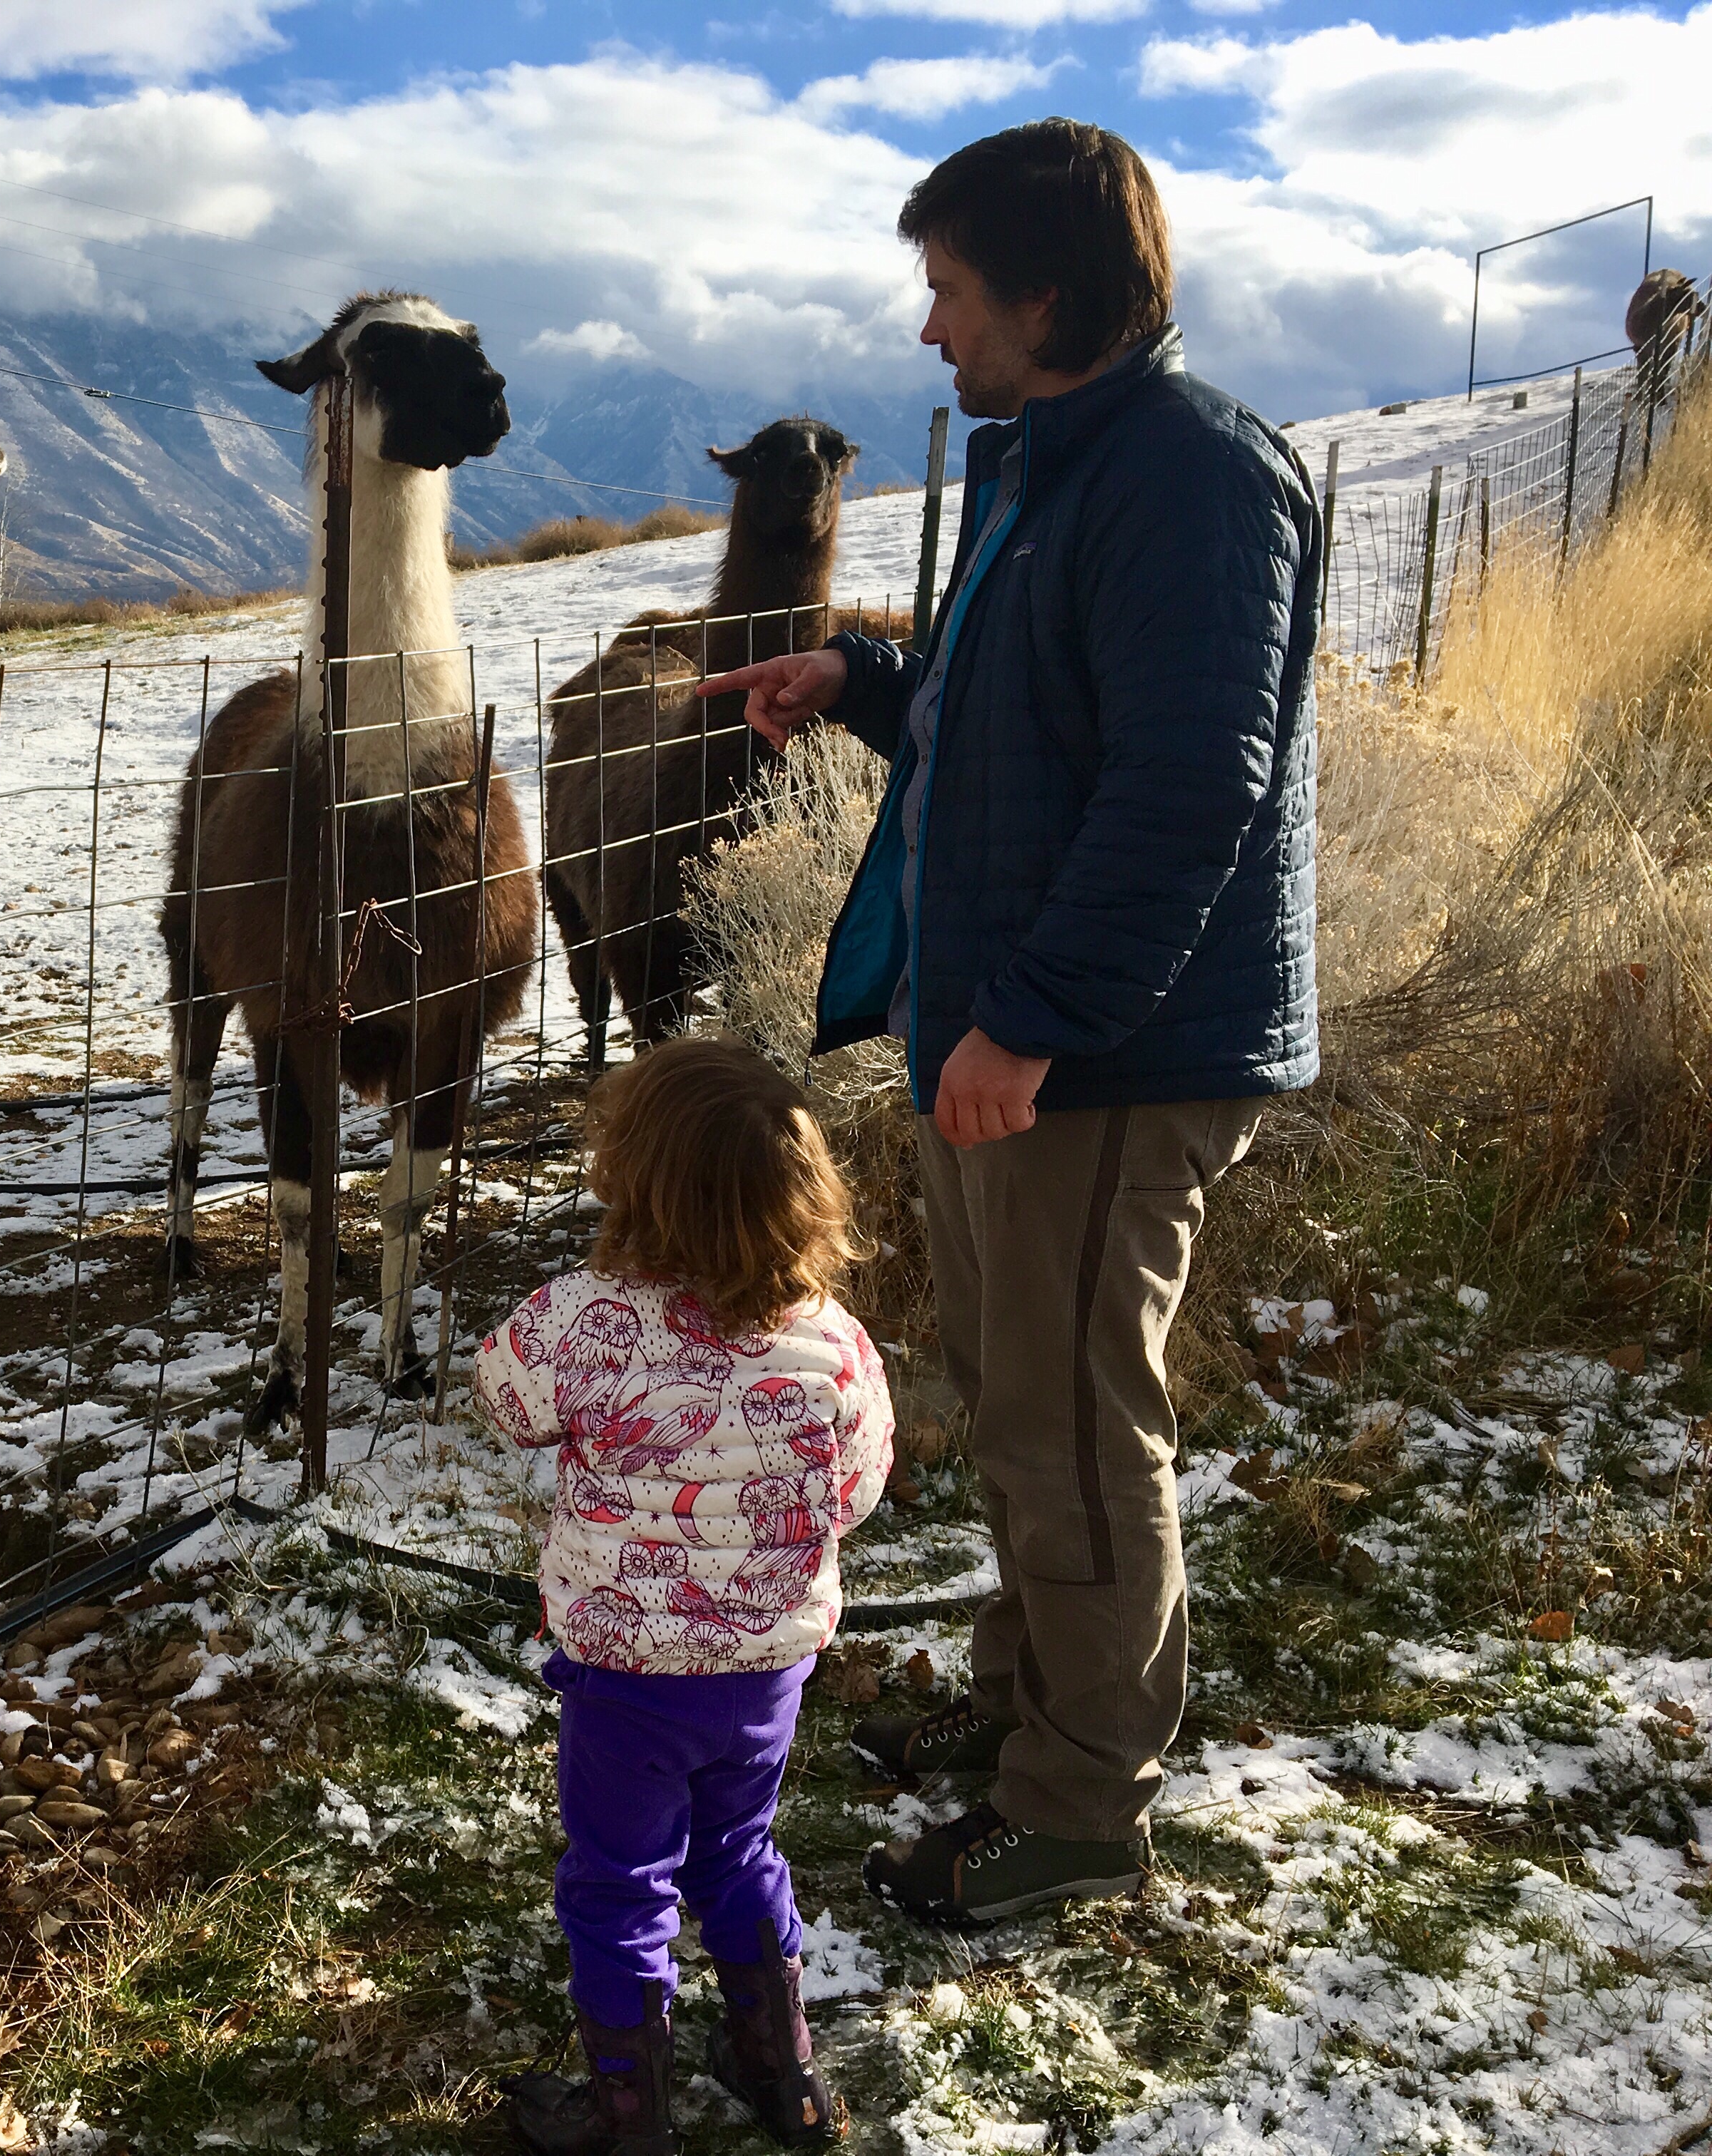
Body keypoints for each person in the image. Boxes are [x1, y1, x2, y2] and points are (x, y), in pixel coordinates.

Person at [694, 118, 1321, 1929]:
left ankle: (1078, 1809)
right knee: (1018, 1407)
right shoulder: (1053, 462)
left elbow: (1189, 788)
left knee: (1072, 1431)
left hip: (1109, 1055)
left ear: (1048, 293)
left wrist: (1032, 1025)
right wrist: (868, 683)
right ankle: (1024, 1707)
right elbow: (1024, 725)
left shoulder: (1193, 478)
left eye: (950, 292)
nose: (929, 333)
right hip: (1025, 1033)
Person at [478, 1037, 895, 2154]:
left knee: (619, 1880)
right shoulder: (838, 1346)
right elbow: (856, 1491)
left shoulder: (586, 1318)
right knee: (740, 1852)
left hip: (625, 1675)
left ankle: (629, 2117)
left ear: (634, 1177)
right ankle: (785, 2077)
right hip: (765, 1671)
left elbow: (505, 1398)